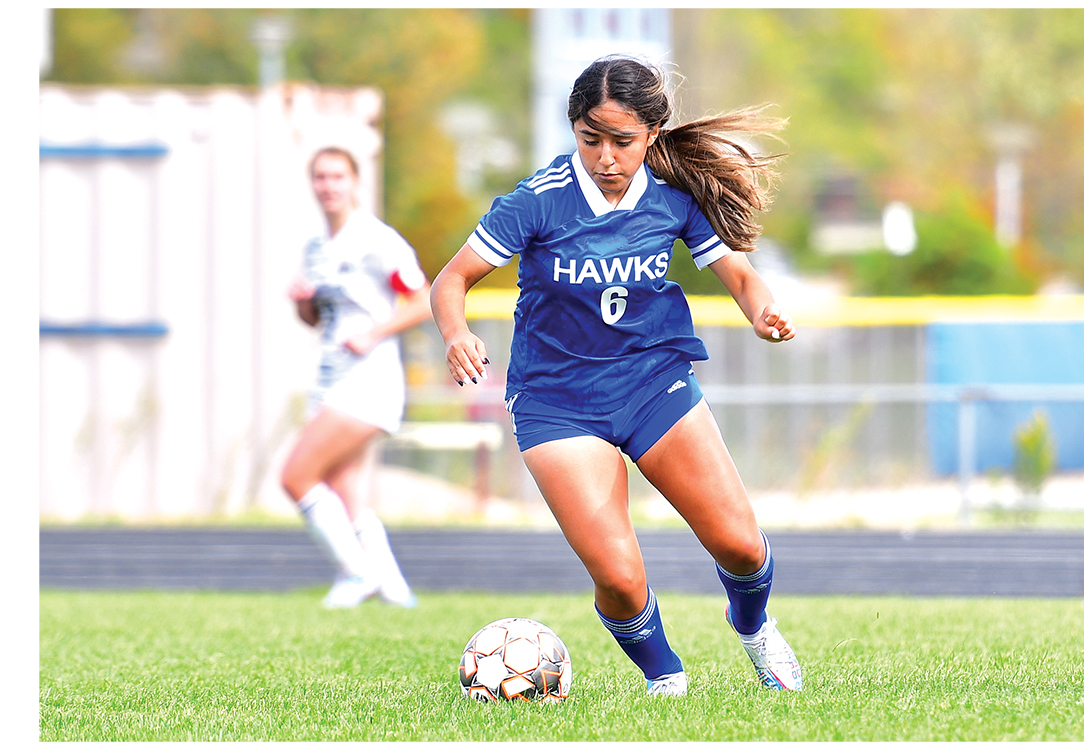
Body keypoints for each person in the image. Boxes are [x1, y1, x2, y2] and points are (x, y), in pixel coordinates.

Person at [430, 55, 803, 696]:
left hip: (652, 385)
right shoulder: (537, 201)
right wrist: (457, 333)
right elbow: (452, 279)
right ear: (574, 130)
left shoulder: (673, 198)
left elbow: (739, 273)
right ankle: (666, 679)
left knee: (741, 547)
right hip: (558, 402)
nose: (606, 156)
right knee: (622, 577)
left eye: (622, 142)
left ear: (652, 136)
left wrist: (761, 309)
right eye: (590, 138)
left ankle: (754, 627)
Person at [281, 146, 432, 609]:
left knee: (296, 475)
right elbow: (316, 319)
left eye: (337, 177)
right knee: (347, 489)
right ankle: (394, 591)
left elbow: (423, 299)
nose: (328, 186)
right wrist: (303, 302)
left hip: (370, 378)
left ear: (354, 182)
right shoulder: (316, 247)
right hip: (331, 376)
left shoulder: (375, 239)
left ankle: (356, 573)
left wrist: (373, 334)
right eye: (321, 177)